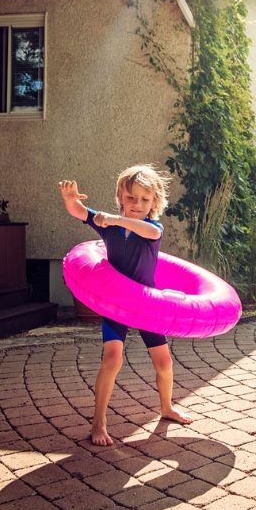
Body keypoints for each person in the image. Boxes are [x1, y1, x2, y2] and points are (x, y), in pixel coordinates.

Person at [58, 164, 192, 446]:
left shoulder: (152, 228)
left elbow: (150, 232)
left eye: (145, 199)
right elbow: (80, 212)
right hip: (117, 304)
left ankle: (167, 407)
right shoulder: (108, 225)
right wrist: (70, 200)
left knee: (164, 362)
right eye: (131, 197)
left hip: (146, 305)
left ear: (154, 202)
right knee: (112, 359)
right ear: (120, 196)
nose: (137, 204)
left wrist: (115, 220)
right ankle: (99, 422)